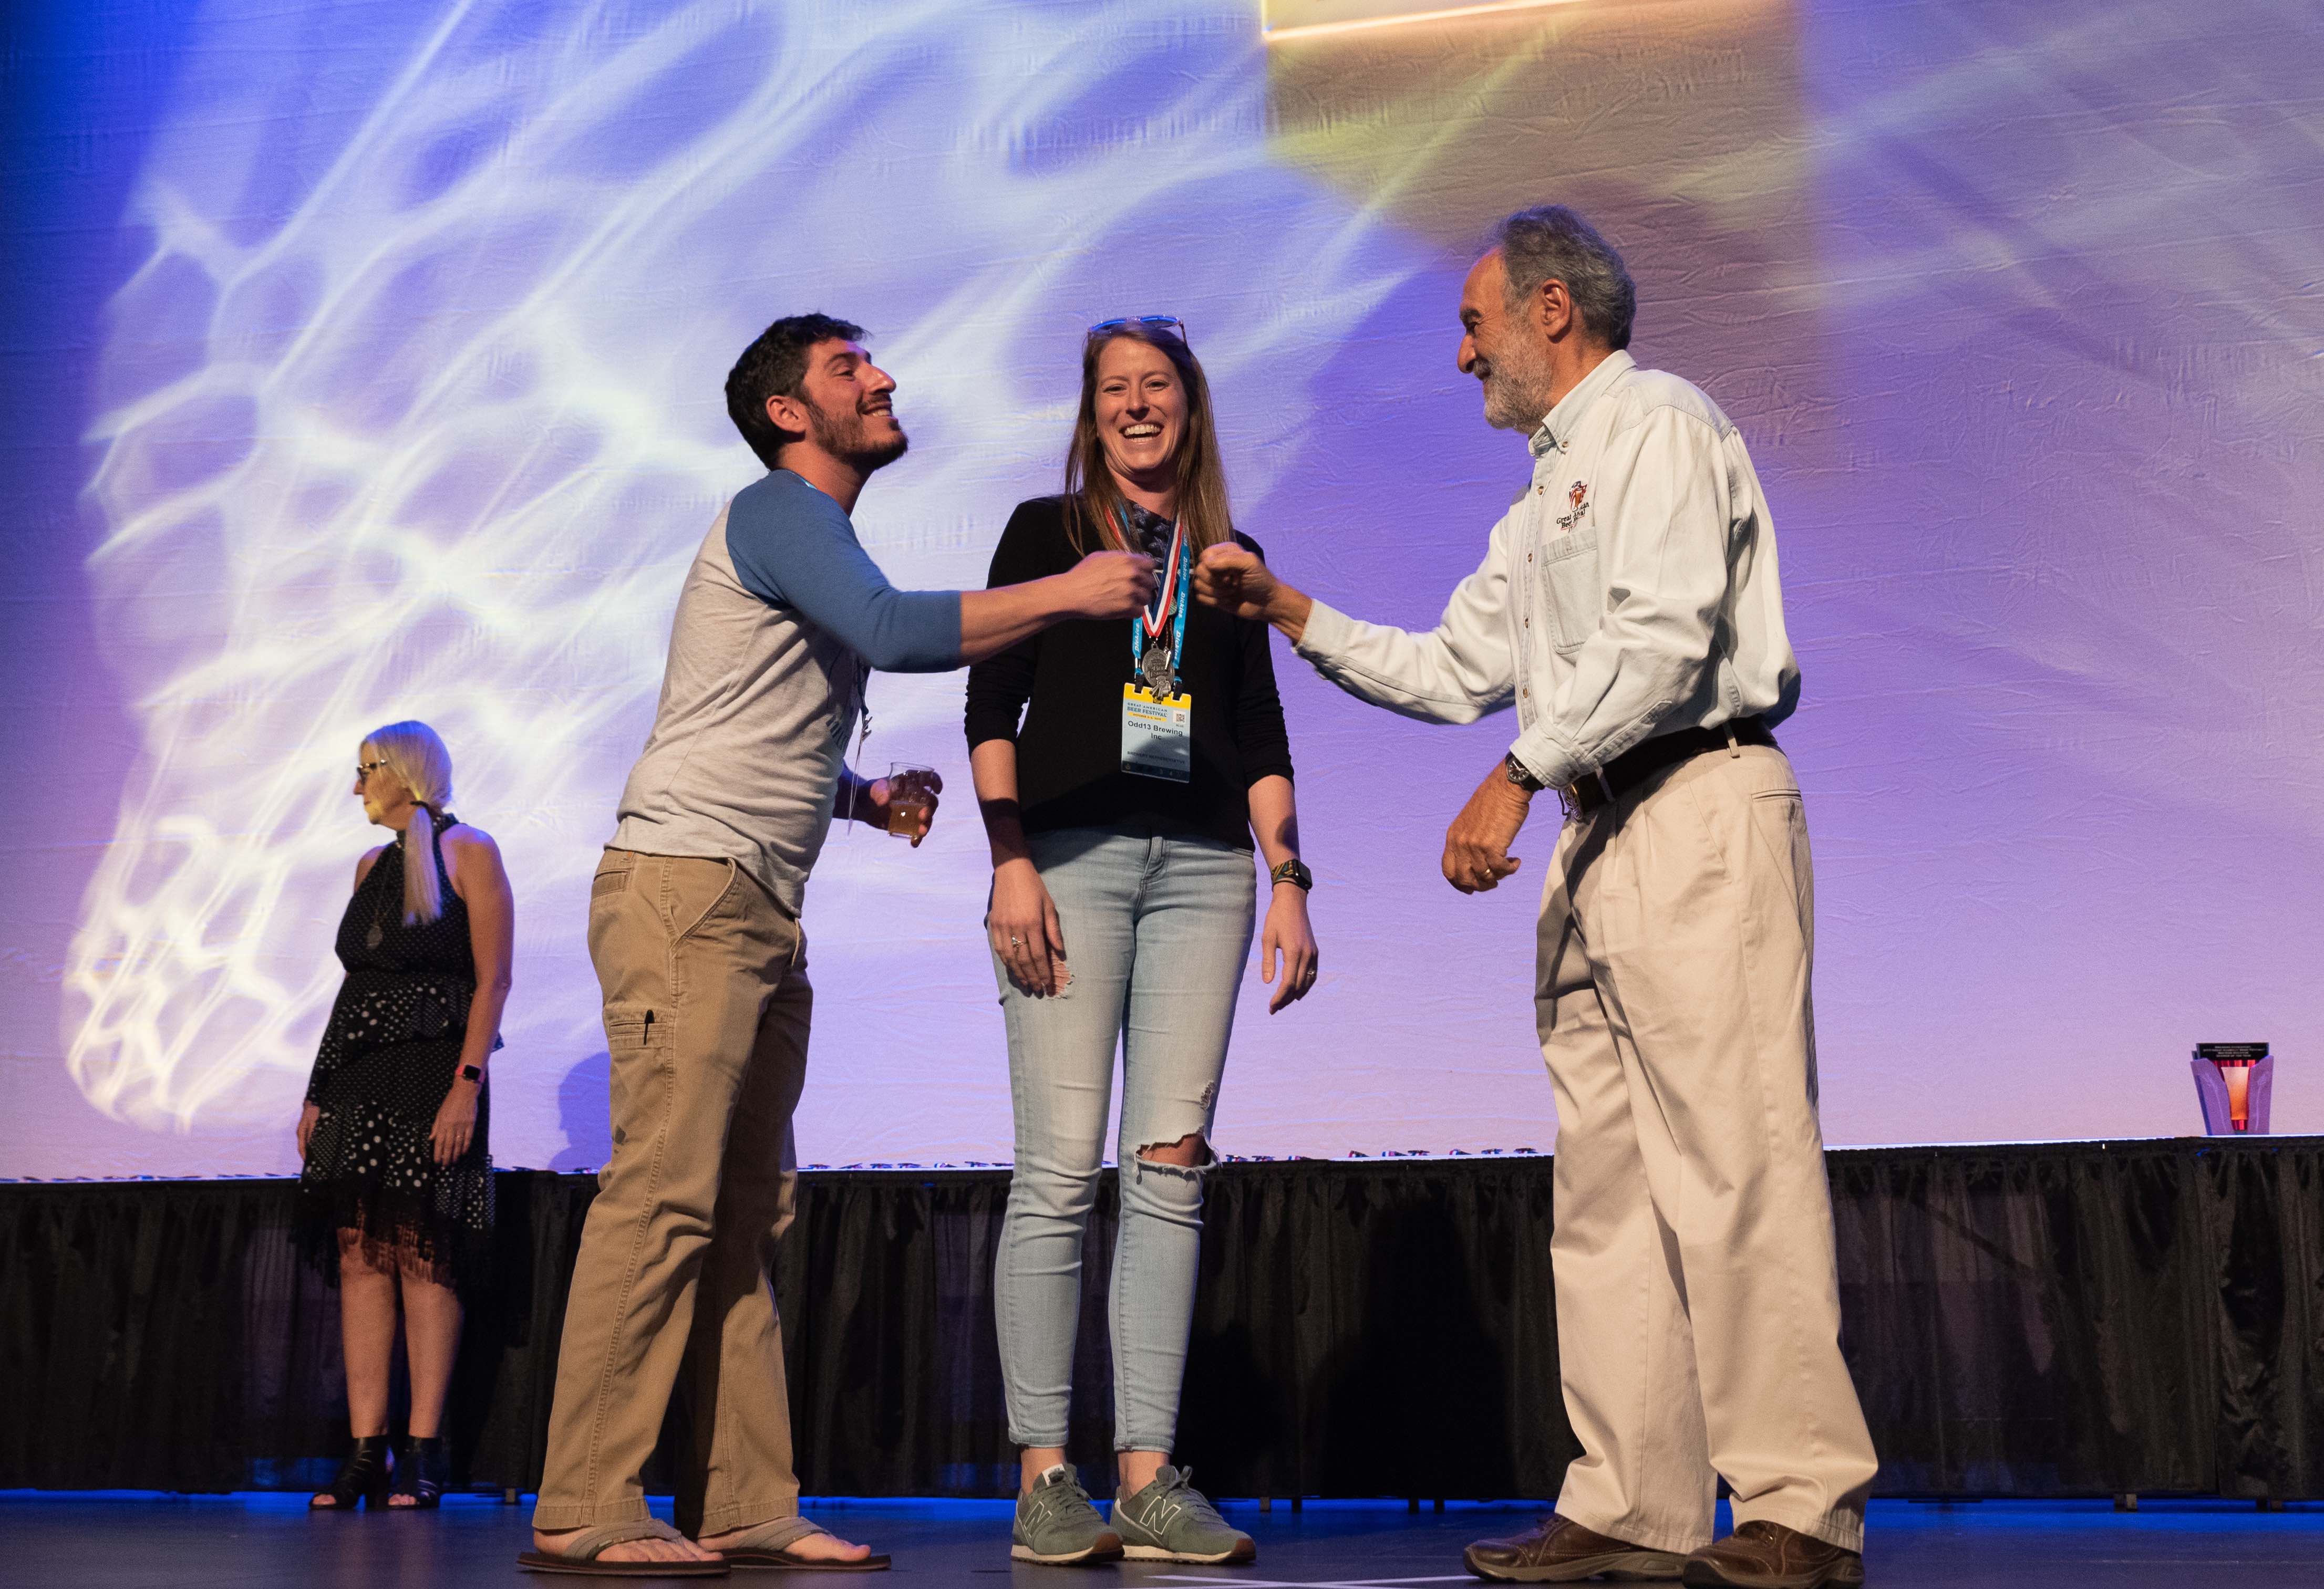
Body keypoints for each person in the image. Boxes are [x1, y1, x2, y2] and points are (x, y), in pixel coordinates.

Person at [1195, 207, 1879, 1589]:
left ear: (1552, 310)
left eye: (1474, 322)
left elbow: (1671, 640)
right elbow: (1453, 665)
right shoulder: (1543, 495)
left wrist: (1517, 773)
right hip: (1601, 834)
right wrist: (1287, 608)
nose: (1463, 357)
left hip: (1697, 806)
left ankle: (1803, 1503)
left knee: (1736, 1161)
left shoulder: (1663, 428)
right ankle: (1633, 1499)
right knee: (1609, 1192)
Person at [520, 314, 1158, 1576]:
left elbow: (755, 720)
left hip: (753, 899)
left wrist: (861, 798)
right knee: (663, 1199)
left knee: (748, 1213)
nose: (883, 378)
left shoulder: (812, 532)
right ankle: (586, 1501)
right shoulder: (774, 510)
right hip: (689, 891)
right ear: (787, 414)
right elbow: (896, 629)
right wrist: (1071, 592)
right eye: (848, 369)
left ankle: (744, 1498)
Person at [964, 317, 1317, 1570]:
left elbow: (1259, 726)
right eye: (1112, 388)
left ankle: (1150, 1478)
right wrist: (1007, 858)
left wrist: (1289, 878)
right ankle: (1046, 1476)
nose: (1133, 405)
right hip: (1063, 861)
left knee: (1169, 1173)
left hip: (1209, 871)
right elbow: (988, 705)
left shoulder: (1234, 558)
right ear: (1090, 411)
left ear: (1189, 404)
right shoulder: (1041, 534)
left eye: (1153, 385)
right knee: (1059, 1172)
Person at [298, 720, 514, 1511]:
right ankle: (366, 1451)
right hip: (362, 1076)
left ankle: (423, 1451)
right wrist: (318, 1093)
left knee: (425, 1253)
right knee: (361, 1255)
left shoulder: (471, 851)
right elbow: (353, 993)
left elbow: (492, 982)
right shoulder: (369, 867)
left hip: (435, 1074)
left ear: (402, 773)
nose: (356, 787)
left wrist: (468, 1081)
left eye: (365, 771)